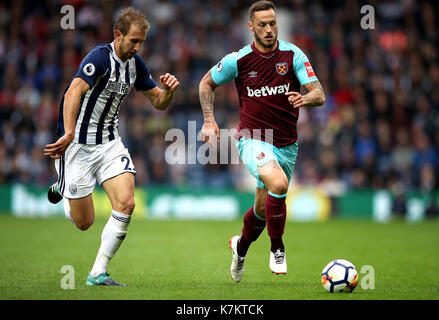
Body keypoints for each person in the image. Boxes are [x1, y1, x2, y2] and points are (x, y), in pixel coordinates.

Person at [44, 7, 179, 286]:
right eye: (133, 41)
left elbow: (158, 102)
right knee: (84, 223)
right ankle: (64, 185)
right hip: (78, 146)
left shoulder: (136, 64)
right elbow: (73, 92)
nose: (138, 47)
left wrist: (169, 92)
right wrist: (69, 132)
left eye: (141, 42)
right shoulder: (99, 58)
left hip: (109, 143)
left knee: (126, 203)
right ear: (118, 35)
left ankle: (98, 273)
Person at [199, 0, 325, 282]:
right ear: (251, 27)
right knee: (278, 185)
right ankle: (277, 248)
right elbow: (206, 83)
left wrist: (304, 98)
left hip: (287, 144)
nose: (269, 30)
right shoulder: (239, 60)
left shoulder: (292, 55)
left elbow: (319, 93)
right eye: (262, 25)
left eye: (273, 23)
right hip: (253, 138)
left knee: (262, 209)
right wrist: (209, 120)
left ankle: (240, 247)